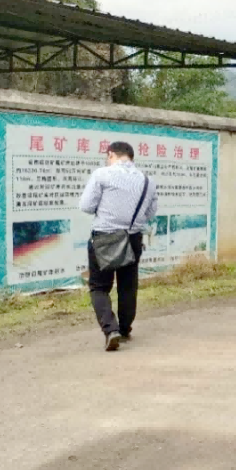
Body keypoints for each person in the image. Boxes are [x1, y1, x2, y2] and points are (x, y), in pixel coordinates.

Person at [79, 141, 159, 351]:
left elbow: (86, 206)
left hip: (105, 237)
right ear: (131, 157)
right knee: (128, 285)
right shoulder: (148, 181)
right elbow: (150, 213)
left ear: (111, 154)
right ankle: (124, 329)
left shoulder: (102, 174)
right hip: (133, 237)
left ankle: (110, 329)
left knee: (99, 286)